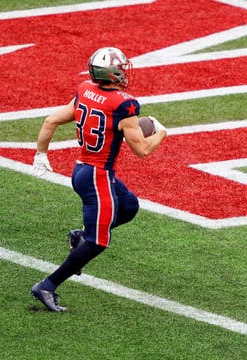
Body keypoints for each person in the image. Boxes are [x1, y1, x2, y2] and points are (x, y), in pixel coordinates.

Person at [30, 47, 167, 312]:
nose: (125, 71)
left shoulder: (84, 89)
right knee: (99, 241)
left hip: (82, 171)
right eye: (121, 68)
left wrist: (41, 154)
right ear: (113, 73)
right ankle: (47, 285)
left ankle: (79, 237)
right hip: (98, 176)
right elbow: (142, 150)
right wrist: (161, 131)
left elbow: (51, 120)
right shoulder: (124, 105)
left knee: (128, 206)